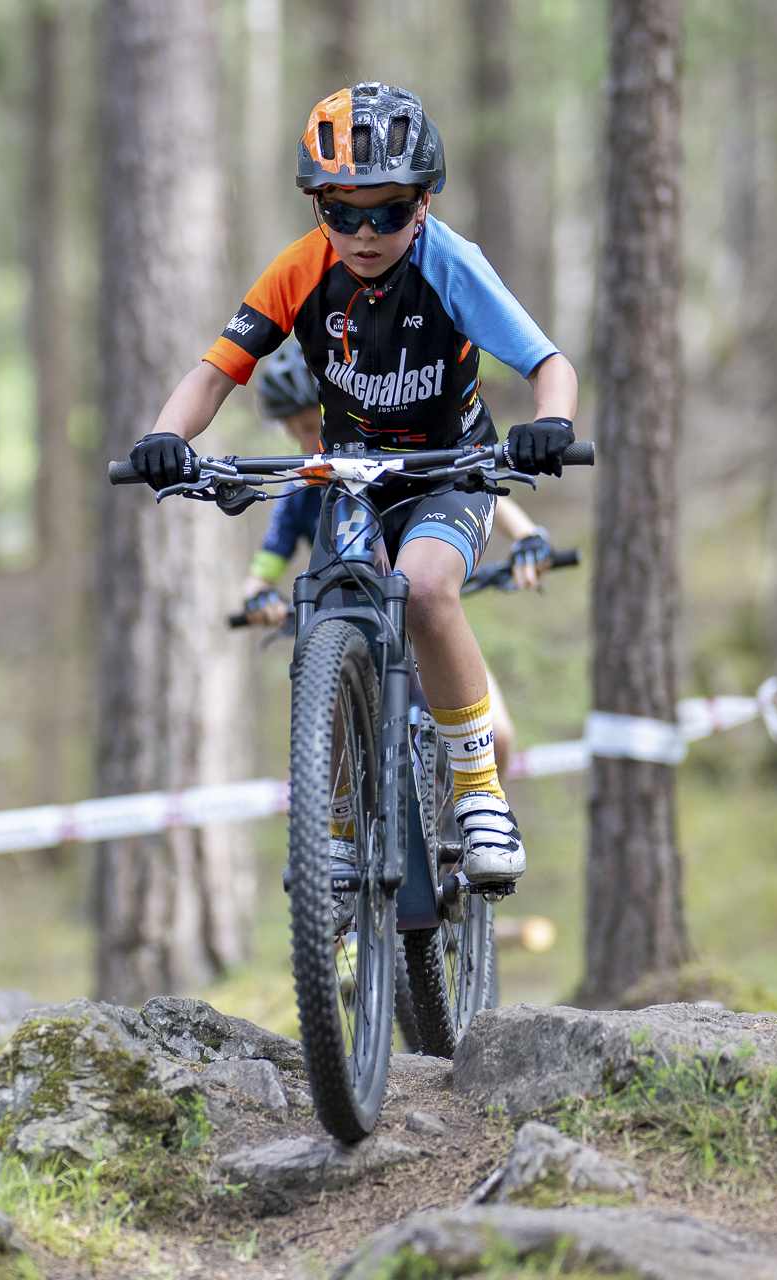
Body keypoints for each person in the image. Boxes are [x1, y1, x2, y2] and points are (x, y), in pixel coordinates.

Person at [126, 82, 579, 886]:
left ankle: (480, 795)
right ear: (317, 207)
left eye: (389, 212)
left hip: (449, 469)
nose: (365, 233)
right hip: (354, 478)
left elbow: (549, 364)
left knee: (427, 590)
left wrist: (552, 422)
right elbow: (215, 372)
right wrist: (167, 436)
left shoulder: (450, 265)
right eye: (343, 213)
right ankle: (335, 823)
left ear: (424, 203)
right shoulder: (299, 270)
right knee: (329, 618)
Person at [240, 344, 555, 781]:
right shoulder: (301, 490)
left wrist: (528, 538)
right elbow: (263, 568)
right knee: (329, 747)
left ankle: (473, 815)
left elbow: (476, 492)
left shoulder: (388, 460)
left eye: (312, 426)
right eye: (295, 432)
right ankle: (339, 817)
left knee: (497, 738)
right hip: (354, 632)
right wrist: (259, 596)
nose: (305, 443)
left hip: (416, 617)